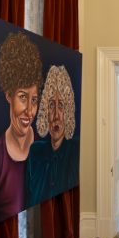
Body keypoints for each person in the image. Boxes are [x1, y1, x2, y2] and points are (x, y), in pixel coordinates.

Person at [0, 32, 43, 231]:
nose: (30, 111)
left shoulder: (45, 149)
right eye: (23, 97)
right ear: (9, 95)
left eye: (34, 100)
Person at [25, 64, 80, 207]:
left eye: (61, 105)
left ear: (68, 111)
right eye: (51, 105)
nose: (56, 115)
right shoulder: (35, 152)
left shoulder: (76, 151)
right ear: (45, 111)